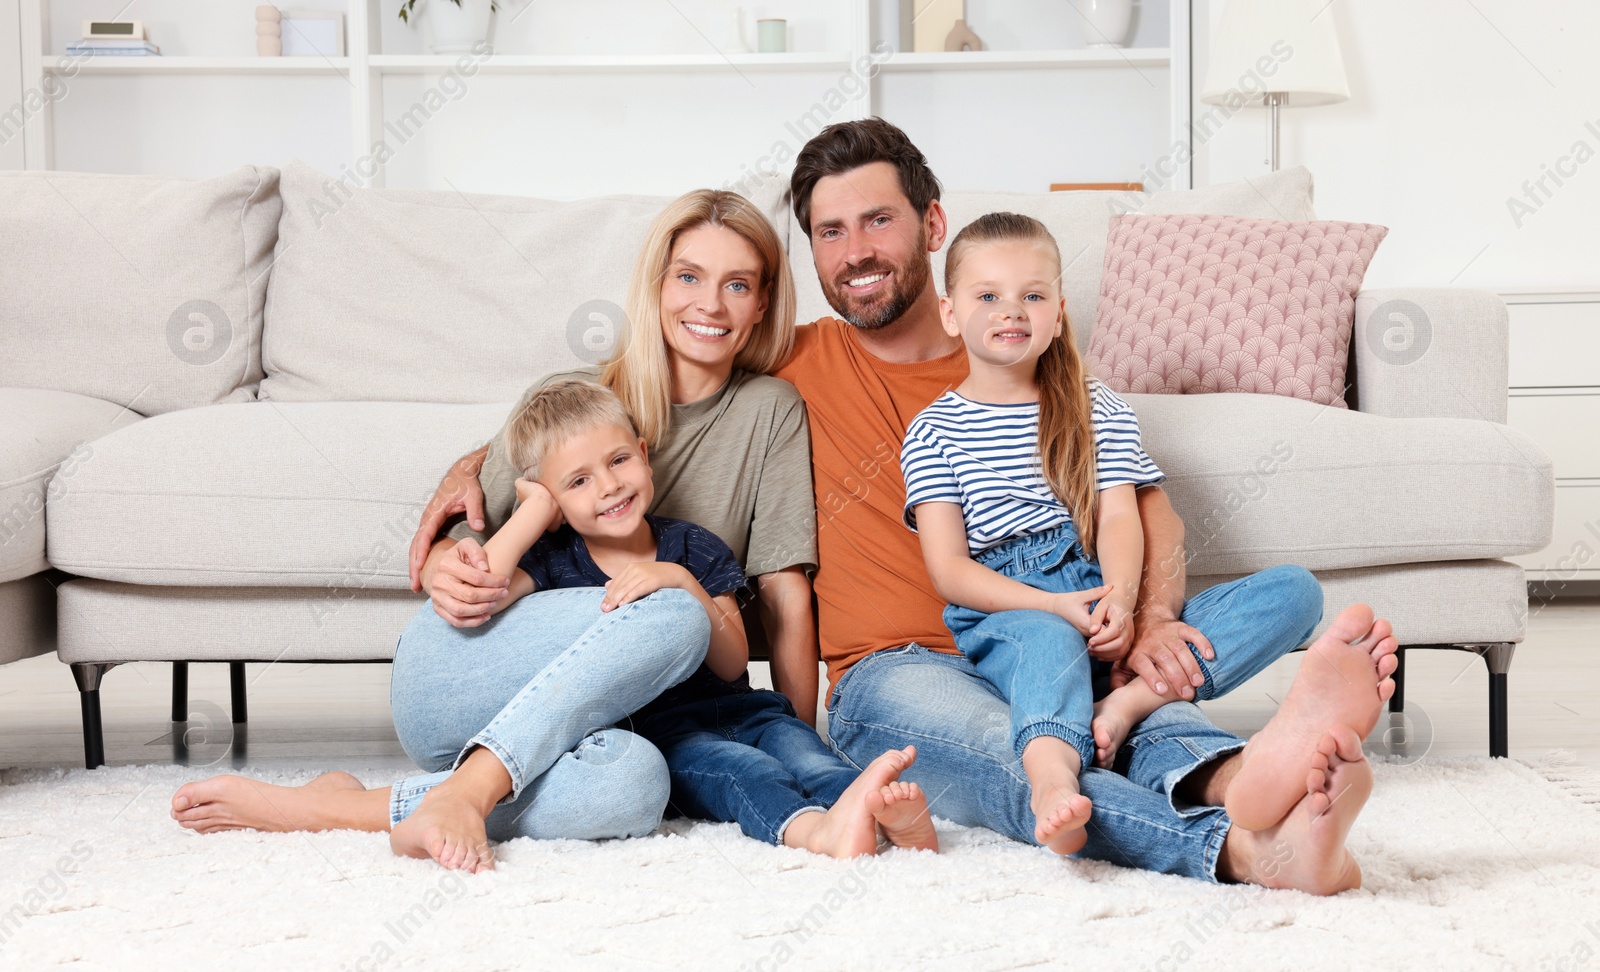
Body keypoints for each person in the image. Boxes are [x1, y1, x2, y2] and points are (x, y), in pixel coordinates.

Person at [770, 118, 1396, 894]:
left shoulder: (1045, 372)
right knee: (1025, 749)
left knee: (1139, 722)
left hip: (1078, 632)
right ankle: (1242, 849)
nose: (855, 250)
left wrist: (1153, 619)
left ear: (932, 224)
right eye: (830, 232)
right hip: (899, 667)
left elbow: (1144, 510)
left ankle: (1254, 782)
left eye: (878, 220)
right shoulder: (791, 363)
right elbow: (656, 371)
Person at [171, 189, 822, 867]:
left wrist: (795, 747)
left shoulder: (770, 411)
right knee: (681, 610)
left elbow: (783, 594)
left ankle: (342, 806)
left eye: (737, 284)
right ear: (656, 285)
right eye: (688, 276)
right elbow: (477, 537)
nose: (710, 305)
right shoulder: (574, 398)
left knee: (634, 785)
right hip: (460, 677)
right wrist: (454, 560)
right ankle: (470, 790)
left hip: (602, 723)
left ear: (763, 301)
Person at [478, 378, 937, 860]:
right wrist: (534, 513)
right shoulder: (554, 562)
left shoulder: (692, 547)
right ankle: (813, 832)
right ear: (553, 500)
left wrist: (681, 582)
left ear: (642, 453)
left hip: (746, 711)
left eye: (618, 461)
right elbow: (483, 592)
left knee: (809, 757)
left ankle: (882, 816)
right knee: (746, 773)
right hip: (665, 738)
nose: (610, 485)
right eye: (578, 481)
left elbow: (732, 661)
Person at [901, 211, 1177, 855]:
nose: (1012, 311)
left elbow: (1117, 515)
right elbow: (950, 571)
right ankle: (1051, 778)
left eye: (1032, 295)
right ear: (950, 314)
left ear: (1057, 310)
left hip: (1095, 583)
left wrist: (1119, 599)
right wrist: (1054, 606)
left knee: (1288, 595)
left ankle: (1126, 702)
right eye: (988, 295)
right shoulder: (934, 431)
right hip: (1009, 603)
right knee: (1051, 639)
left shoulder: (1096, 405)